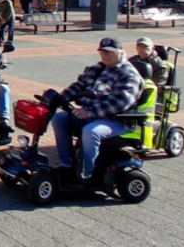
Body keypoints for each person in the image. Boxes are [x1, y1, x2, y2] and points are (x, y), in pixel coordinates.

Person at [50, 38, 143, 184]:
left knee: (91, 131)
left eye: (110, 52)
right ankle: (66, 164)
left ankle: (86, 173)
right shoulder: (99, 68)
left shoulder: (128, 74)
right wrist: (60, 98)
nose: (106, 55)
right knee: (58, 118)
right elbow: (79, 86)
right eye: (103, 52)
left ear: (121, 53)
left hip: (117, 120)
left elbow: (119, 103)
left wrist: (90, 112)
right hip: (91, 115)